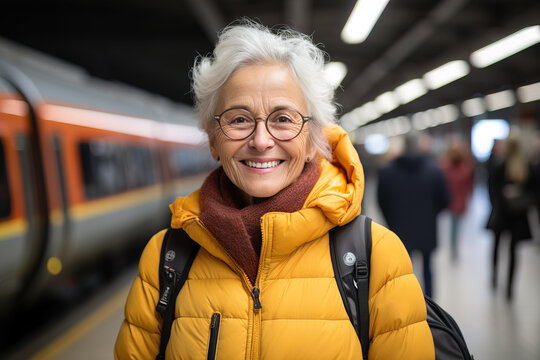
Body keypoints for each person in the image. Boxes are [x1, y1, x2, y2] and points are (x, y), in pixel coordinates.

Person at [114, 20, 434, 359]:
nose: (261, 141)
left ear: (313, 141)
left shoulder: (376, 257)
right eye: (239, 119)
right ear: (213, 141)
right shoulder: (166, 257)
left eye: (283, 119)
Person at [377, 131, 449, 298]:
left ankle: (406, 304)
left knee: (403, 271)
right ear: (418, 145)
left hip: (400, 230)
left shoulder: (387, 172)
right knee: (428, 268)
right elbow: (444, 200)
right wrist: (430, 215)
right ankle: (430, 306)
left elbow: (382, 201)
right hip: (427, 228)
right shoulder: (434, 170)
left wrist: (392, 221)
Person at [486, 134, 535, 300]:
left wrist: (499, 202)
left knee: (497, 245)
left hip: (502, 214)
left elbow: (492, 189)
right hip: (518, 216)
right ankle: (509, 287)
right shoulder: (526, 166)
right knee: (513, 251)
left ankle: (494, 276)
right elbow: (534, 191)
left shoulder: (500, 166)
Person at [439, 135, 475, 261]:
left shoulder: (446, 167)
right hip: (456, 201)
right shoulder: (465, 168)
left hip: (453, 201)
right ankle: (453, 247)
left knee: (454, 226)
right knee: (455, 226)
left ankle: (453, 247)